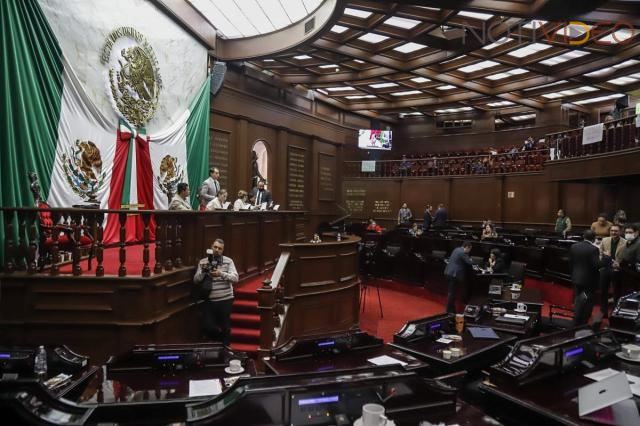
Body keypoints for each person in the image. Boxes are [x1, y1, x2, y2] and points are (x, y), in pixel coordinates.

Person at [193, 239, 238, 345]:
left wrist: (221, 274)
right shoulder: (203, 262)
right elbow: (196, 280)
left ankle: (226, 348)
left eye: (220, 248)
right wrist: (204, 271)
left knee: (225, 327)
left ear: (222, 251)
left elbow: (235, 278)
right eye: (215, 247)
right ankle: (220, 343)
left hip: (225, 298)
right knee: (209, 327)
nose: (217, 250)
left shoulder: (228, 261)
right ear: (211, 247)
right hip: (209, 299)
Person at [570, 230, 600, 326]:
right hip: (589, 281)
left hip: (576, 278)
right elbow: (596, 265)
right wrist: (606, 259)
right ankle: (583, 323)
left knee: (579, 299)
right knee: (587, 302)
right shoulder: (594, 249)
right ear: (594, 238)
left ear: (583, 236)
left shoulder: (574, 246)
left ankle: (576, 320)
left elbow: (571, 262)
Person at [599, 224, 626, 317]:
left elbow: (626, 257)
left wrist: (620, 265)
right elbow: (600, 253)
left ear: (620, 232)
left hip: (617, 270)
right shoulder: (605, 240)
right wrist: (603, 259)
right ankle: (603, 312)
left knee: (616, 292)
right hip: (605, 269)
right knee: (603, 291)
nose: (613, 232)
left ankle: (615, 312)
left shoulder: (625, 242)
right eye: (612, 231)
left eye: (616, 231)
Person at [444, 241, 473, 313]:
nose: (469, 251)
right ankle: (448, 311)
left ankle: (452, 309)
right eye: (469, 249)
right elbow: (469, 262)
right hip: (454, 274)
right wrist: (471, 259)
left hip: (448, 272)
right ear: (467, 247)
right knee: (452, 293)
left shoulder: (456, 249)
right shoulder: (463, 253)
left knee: (451, 292)